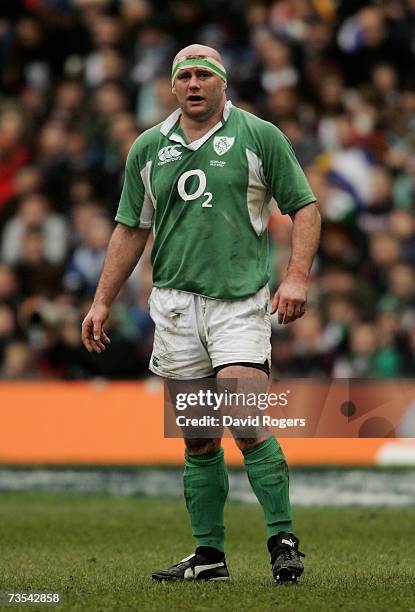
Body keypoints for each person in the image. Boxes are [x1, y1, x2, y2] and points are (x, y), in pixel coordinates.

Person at [82, 43, 321, 584]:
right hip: (174, 306)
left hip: (238, 303)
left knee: (245, 418)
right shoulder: (148, 148)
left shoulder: (258, 136)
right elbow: (131, 228)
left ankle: (282, 538)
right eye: (184, 75)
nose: (193, 84)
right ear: (171, 86)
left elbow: (304, 206)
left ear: (222, 83)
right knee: (199, 436)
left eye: (203, 75)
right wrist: (101, 299)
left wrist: (298, 275)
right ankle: (209, 557)